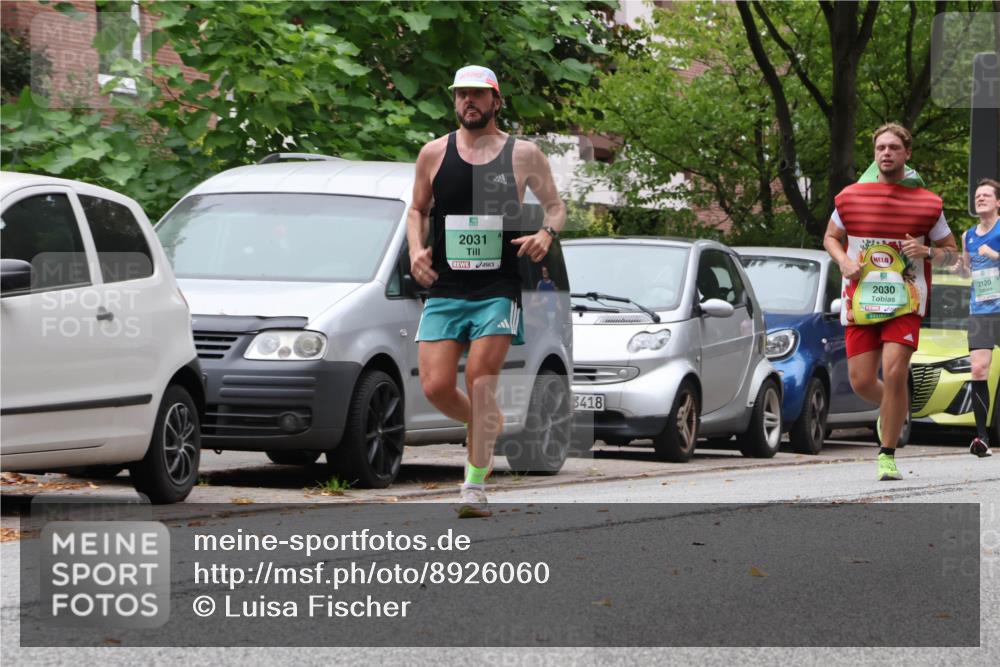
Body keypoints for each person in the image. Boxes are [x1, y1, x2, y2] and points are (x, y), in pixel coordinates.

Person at [407, 65, 566, 516]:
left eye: (478, 95)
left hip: (498, 287)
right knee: (437, 387)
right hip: (446, 286)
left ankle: (473, 488)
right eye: (461, 95)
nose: (468, 102)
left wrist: (545, 235)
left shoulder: (524, 154)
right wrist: (417, 250)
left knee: (480, 380)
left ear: (497, 101)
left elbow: (556, 208)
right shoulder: (433, 154)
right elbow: (416, 209)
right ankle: (487, 424)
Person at [823, 123, 958, 481]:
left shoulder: (928, 203)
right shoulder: (850, 197)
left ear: (906, 153)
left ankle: (887, 455)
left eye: (894, 148)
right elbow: (831, 237)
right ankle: (893, 407)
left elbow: (953, 254)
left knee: (896, 371)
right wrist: (844, 261)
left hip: (905, 301)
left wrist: (927, 251)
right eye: (881, 147)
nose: (886, 153)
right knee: (862, 382)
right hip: (861, 301)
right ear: (874, 154)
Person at [952, 178, 1000, 457]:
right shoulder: (968, 235)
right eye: (977, 195)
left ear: (997, 202)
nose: (979, 198)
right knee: (979, 370)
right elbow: (967, 272)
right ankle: (982, 438)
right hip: (981, 311)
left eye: (985, 195)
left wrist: (994, 254)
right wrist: (960, 267)